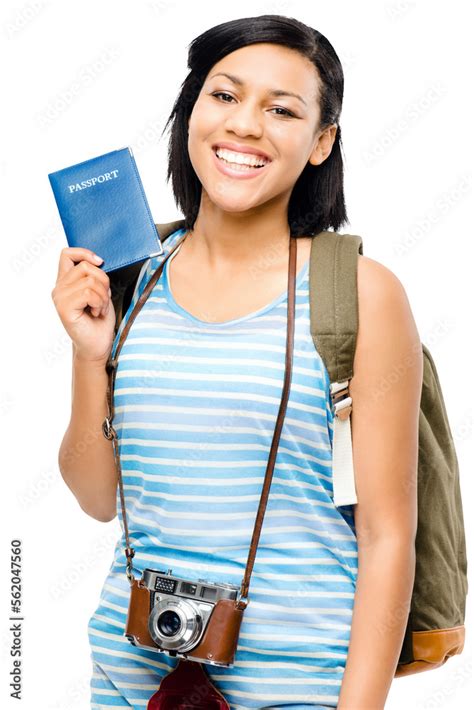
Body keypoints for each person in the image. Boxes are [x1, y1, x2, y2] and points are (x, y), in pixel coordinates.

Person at [52, 14, 423, 710]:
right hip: (129, 683)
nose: (246, 125)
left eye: (281, 110)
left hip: (297, 687)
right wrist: (87, 353)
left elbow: (387, 534)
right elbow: (97, 498)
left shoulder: (361, 294)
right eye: (223, 96)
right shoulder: (136, 275)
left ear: (321, 143)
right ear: (192, 110)